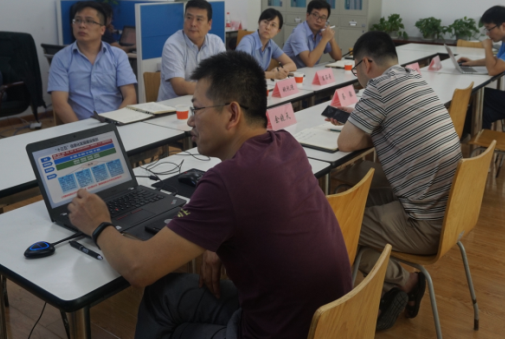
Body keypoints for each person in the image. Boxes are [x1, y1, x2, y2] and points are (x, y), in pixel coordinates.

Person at [67, 51, 352, 339]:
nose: (191, 121)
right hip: (324, 320)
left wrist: (98, 224)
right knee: (163, 294)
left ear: (232, 114)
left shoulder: (227, 181)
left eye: (197, 109)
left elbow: (139, 269)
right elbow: (257, 215)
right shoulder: (285, 143)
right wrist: (217, 240)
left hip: (279, 331)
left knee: (173, 319)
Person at [332, 31, 462, 330]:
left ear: (366, 64)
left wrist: (360, 119)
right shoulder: (413, 78)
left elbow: (346, 142)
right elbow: (392, 124)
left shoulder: (378, 87)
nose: (357, 75)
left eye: (355, 68)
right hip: (448, 211)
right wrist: (362, 117)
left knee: (337, 225)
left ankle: (402, 283)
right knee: (355, 203)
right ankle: (398, 284)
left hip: (423, 222)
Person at [48, 0, 137, 123]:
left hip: (115, 123)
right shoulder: (61, 58)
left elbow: (130, 96)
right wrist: (83, 132)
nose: (82, 25)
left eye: (89, 21)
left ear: (102, 30)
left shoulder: (118, 56)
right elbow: (59, 104)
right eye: (77, 20)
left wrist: (114, 125)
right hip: (80, 126)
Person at [157, 0, 225, 101]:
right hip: (174, 107)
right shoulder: (173, 45)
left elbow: (224, 79)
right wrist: (214, 88)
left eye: (199, 19)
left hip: (204, 104)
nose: (193, 23)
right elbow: (179, 86)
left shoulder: (216, 43)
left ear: (209, 24)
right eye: (189, 18)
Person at [235, 8, 296, 80]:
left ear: (278, 31)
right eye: (265, 22)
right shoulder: (247, 42)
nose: (268, 27)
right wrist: (273, 74)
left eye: (273, 25)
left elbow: (292, 65)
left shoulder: (271, 44)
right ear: (259, 23)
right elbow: (243, 72)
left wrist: (279, 70)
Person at [282, 0, 342, 68]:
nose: (319, 20)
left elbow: (338, 57)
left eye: (323, 17)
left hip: (307, 72)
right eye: (315, 15)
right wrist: (325, 39)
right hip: (290, 72)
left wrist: (331, 39)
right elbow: (309, 62)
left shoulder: (322, 31)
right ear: (307, 16)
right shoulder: (298, 32)